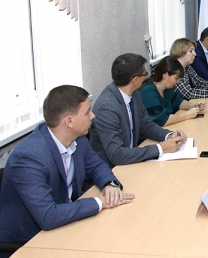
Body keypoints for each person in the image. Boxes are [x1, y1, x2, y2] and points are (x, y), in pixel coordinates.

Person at [0, 85, 135, 245]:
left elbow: (97, 166)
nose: (93, 115)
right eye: (87, 112)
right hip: (29, 241)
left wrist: (110, 184)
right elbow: (48, 216)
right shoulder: (29, 157)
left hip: (67, 223)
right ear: (69, 121)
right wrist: (99, 202)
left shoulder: (78, 139)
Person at [89, 53, 187, 167]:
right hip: (112, 169)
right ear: (135, 80)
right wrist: (160, 148)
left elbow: (146, 125)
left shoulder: (134, 93)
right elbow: (116, 154)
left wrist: (169, 135)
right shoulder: (107, 108)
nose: (146, 77)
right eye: (145, 74)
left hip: (131, 160)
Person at [140, 56, 205, 127]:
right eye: (176, 78)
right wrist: (187, 115)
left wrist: (194, 106)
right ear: (165, 75)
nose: (178, 82)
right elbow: (161, 120)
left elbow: (178, 102)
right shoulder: (148, 92)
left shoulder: (166, 89)